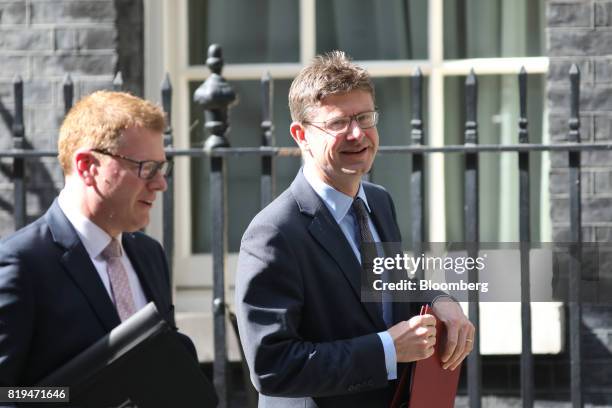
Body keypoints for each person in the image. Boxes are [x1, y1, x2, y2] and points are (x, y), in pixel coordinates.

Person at [235, 51, 475, 407]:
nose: (357, 134)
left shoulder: (378, 202)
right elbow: (272, 366)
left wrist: (439, 302)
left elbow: (391, 292)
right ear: (301, 135)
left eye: (365, 117)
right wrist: (386, 350)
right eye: (337, 123)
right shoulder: (272, 233)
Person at [0, 91, 195, 387]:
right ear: (88, 167)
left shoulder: (149, 254)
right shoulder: (22, 263)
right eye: (146, 168)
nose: (160, 183)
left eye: (162, 167)